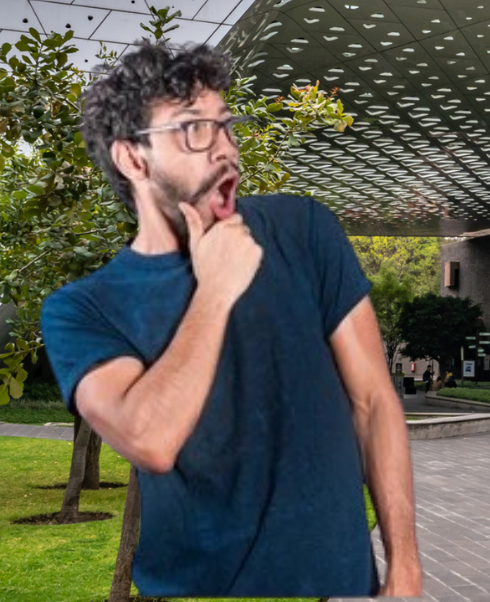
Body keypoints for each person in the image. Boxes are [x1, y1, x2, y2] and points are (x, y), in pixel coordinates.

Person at [39, 43, 421, 598]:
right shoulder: (83, 308)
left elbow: (374, 402)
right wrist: (215, 288)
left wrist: (405, 570)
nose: (225, 149)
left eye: (225, 126)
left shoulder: (305, 230)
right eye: (194, 130)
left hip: (339, 588)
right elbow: (149, 438)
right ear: (132, 158)